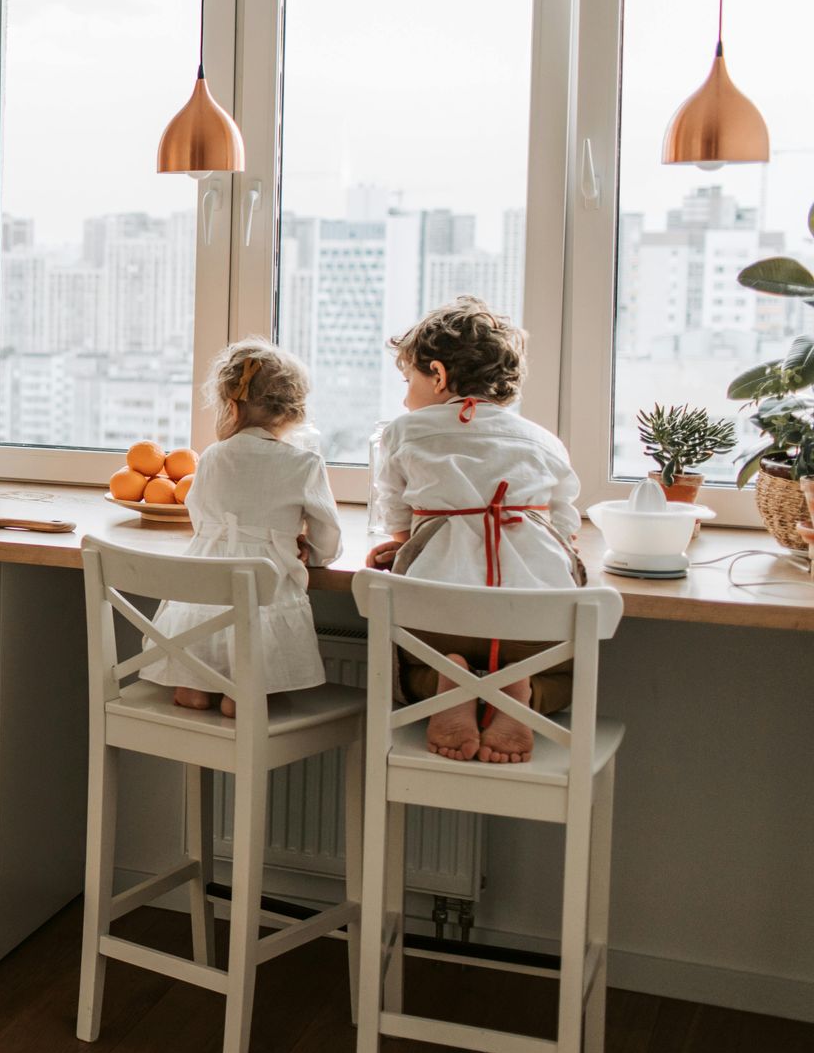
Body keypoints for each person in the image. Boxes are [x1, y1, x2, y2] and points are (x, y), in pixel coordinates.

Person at [365, 296, 583, 765]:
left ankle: (449, 685)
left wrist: (405, 546)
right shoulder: (544, 440)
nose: (406, 397)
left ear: (438, 376)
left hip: (442, 621)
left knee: (407, 670)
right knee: (566, 674)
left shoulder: (405, 430)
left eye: (409, 381)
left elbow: (394, 509)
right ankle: (521, 694)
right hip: (533, 623)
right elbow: (565, 527)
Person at [140, 339, 342, 714]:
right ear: (293, 412)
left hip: (202, 590)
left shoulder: (213, 457)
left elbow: (200, 515)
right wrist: (306, 550)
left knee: (208, 625)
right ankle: (241, 694)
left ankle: (195, 686)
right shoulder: (304, 463)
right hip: (262, 592)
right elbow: (328, 539)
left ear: (230, 406)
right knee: (257, 620)